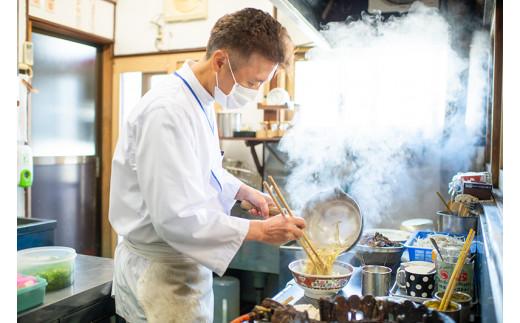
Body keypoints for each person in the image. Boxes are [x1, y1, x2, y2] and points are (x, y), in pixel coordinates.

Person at [108, 8, 306, 323]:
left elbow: (199, 170)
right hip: (161, 277)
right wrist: (259, 230)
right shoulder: (167, 112)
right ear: (219, 60)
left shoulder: (199, 99)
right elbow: (176, 217)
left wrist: (243, 190)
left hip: (181, 269)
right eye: (252, 82)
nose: (253, 93)